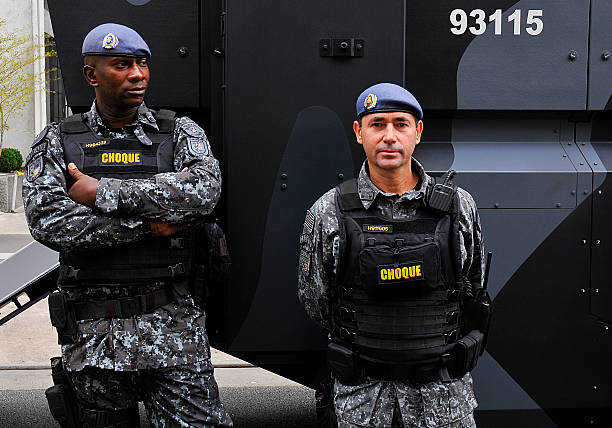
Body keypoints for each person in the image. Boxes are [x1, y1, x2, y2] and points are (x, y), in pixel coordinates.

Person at [23, 23, 232, 427]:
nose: (137, 74)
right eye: (121, 64)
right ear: (91, 75)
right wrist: (149, 227)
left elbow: (201, 194)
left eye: (141, 64)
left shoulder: (180, 133)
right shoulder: (57, 141)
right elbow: (48, 220)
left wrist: (103, 192)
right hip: (94, 336)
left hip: (173, 330)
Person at [298, 83, 488, 427]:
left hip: (443, 402)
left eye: (400, 124)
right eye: (377, 124)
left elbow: (472, 287)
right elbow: (316, 301)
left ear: (417, 132)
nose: (389, 136)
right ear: (359, 133)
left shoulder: (459, 207)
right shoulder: (328, 212)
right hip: (364, 403)